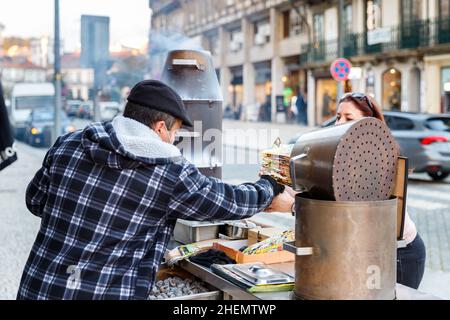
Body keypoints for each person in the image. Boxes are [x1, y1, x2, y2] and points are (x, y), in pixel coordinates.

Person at [17, 80, 291, 300]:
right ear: (160, 127)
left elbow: (36, 201)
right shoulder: (166, 170)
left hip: (39, 285)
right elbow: (224, 200)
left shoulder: (69, 143)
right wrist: (269, 187)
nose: (174, 140)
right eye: (175, 133)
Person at [336, 92, 426, 290]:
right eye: (338, 117)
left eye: (348, 118)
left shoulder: (375, 158)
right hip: (375, 250)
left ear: (369, 123)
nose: (339, 123)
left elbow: (354, 211)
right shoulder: (346, 152)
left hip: (402, 254)